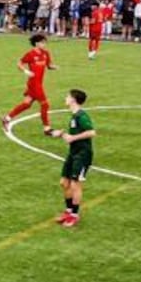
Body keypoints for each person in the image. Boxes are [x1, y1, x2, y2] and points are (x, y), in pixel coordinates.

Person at [45, 88, 95, 227]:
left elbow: (91, 132)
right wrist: (60, 134)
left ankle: (74, 215)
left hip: (82, 155)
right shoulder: (74, 116)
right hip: (73, 153)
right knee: (64, 183)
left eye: (68, 96)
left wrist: (73, 137)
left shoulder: (81, 116)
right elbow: (72, 137)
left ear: (73, 99)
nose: (65, 98)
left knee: (75, 184)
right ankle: (68, 211)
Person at [4, 32, 54, 128]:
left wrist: (53, 67)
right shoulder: (30, 54)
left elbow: (49, 65)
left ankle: (7, 118)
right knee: (45, 105)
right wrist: (26, 71)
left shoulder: (46, 53)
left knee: (27, 104)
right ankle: (47, 128)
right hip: (34, 84)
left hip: (39, 83)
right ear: (37, 43)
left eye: (45, 42)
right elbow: (19, 63)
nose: (45, 45)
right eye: (43, 42)